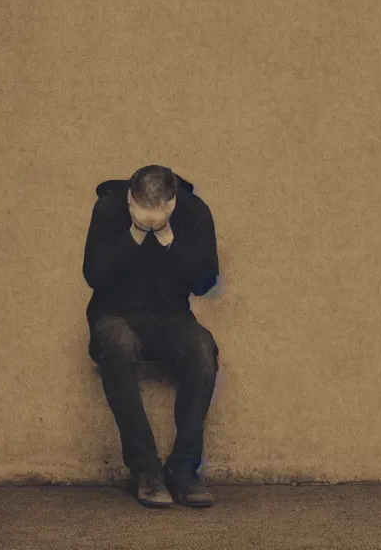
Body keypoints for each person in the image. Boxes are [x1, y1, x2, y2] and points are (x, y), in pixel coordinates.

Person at [83, 165, 220, 509]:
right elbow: (93, 274)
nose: (149, 219)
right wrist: (133, 236)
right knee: (117, 342)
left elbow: (204, 282)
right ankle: (145, 470)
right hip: (113, 313)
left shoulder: (195, 212)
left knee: (202, 348)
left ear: (172, 204)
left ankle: (184, 469)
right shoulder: (108, 208)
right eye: (141, 210)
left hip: (169, 316)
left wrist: (169, 241)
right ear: (130, 199)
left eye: (157, 213)